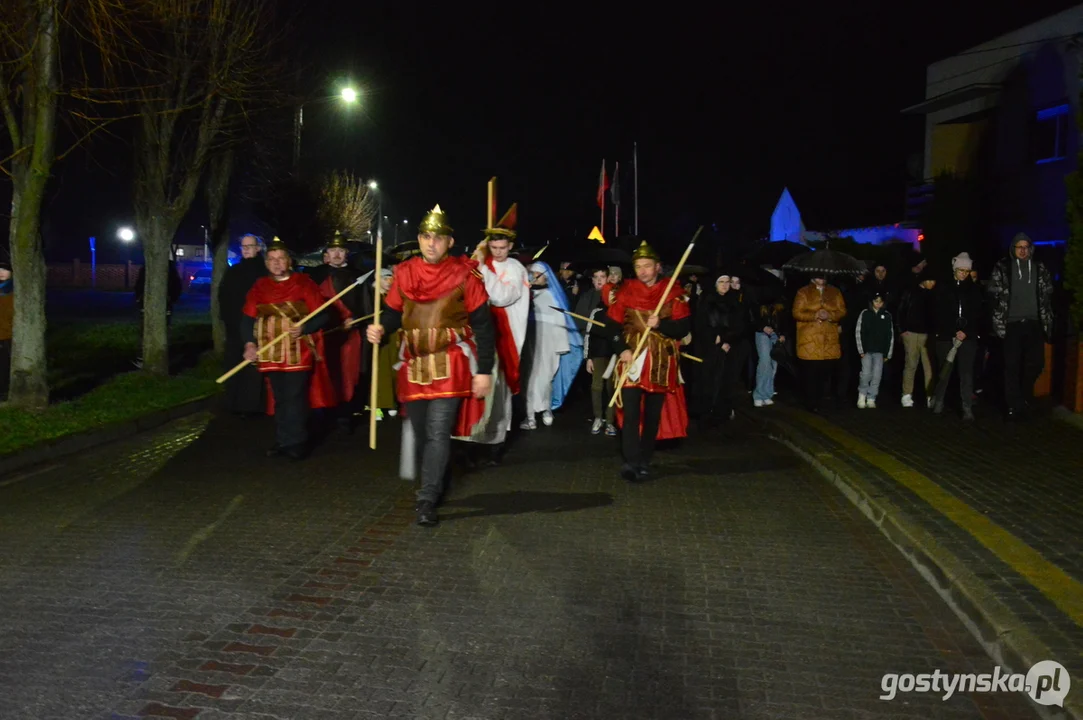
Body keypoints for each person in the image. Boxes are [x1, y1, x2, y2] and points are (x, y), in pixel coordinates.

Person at [365, 205, 494, 527]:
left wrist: (484, 370)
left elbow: (483, 325)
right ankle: (438, 477)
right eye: (425, 237)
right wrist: (381, 329)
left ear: (449, 242)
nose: (431, 243)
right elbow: (394, 313)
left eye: (438, 238)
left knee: (438, 433)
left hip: (450, 361)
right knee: (423, 434)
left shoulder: (466, 274)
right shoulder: (405, 272)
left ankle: (427, 498)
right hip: (414, 364)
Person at [241, 239, 337, 459]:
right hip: (270, 352)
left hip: (297, 351)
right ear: (266, 263)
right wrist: (249, 343)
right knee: (280, 397)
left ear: (289, 261)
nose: (276, 264)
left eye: (280, 258)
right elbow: (247, 319)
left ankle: (296, 442)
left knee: (294, 397)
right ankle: (284, 440)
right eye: (271, 260)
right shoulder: (259, 287)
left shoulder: (304, 284)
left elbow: (323, 315)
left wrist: (305, 327)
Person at [605, 240, 691, 481]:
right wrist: (621, 349)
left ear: (657, 267)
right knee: (631, 412)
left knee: (653, 415)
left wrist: (661, 325)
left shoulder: (674, 293)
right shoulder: (625, 292)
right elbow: (611, 326)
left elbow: (683, 327)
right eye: (639, 266)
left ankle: (644, 461)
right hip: (632, 358)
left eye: (647, 266)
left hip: (660, 361)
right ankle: (630, 462)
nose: (643, 271)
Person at [460, 211, 530, 463]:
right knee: (475, 384)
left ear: (510, 246)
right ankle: (472, 438)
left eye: (503, 247)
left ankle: (495, 441)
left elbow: (501, 296)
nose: (498, 251)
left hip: (504, 335)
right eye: (493, 246)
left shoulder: (516, 269)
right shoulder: (481, 262)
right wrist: (475, 263)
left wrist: (481, 267)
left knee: (498, 389)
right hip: (478, 332)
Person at [988, 233, 1055, 420]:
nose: (1023, 250)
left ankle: (1024, 395)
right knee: (1011, 365)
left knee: (1036, 363)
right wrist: (998, 315)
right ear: (1013, 249)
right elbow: (993, 292)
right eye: (1019, 247)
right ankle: (1012, 405)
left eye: (1026, 247)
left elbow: (1048, 292)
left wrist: (1047, 316)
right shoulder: (1003, 267)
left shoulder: (1039, 267)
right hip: (1011, 324)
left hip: (1034, 322)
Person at [306, 233, 367, 433]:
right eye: (333, 250)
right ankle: (322, 413)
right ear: (326, 254)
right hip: (323, 334)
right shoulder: (315, 275)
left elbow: (366, 304)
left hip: (349, 335)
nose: (337, 254)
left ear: (346, 254)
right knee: (323, 374)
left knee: (346, 375)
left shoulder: (357, 275)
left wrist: (355, 318)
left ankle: (344, 415)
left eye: (341, 250)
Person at [520, 261, 583, 429]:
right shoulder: (525, 295)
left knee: (546, 379)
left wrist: (560, 347)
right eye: (531, 273)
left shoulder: (551, 297)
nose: (533, 277)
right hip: (530, 345)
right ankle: (530, 416)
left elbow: (560, 323)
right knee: (529, 380)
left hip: (547, 347)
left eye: (536, 274)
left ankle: (547, 409)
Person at [218, 234, 268, 416]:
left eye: (250, 246)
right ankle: (233, 402)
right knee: (234, 363)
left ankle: (252, 406)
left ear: (258, 248)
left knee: (254, 368)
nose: (246, 249)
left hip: (258, 327)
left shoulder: (264, 271)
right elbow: (223, 296)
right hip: (234, 327)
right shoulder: (233, 271)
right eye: (243, 246)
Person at [931, 253, 984, 421]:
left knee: (966, 373)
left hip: (968, 337)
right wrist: (951, 330)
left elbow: (979, 314)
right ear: (954, 269)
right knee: (944, 370)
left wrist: (966, 331)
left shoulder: (974, 290)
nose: (963, 273)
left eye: (966, 271)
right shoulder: (943, 288)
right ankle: (938, 400)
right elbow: (938, 312)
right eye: (961, 270)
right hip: (946, 336)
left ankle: (966, 406)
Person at [694, 274, 748, 426]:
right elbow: (700, 324)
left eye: (727, 282)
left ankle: (721, 410)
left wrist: (726, 338)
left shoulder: (734, 302)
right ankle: (706, 411)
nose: (725, 285)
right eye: (721, 282)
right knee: (709, 378)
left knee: (726, 379)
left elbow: (739, 325)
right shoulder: (706, 300)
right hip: (709, 347)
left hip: (729, 347)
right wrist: (714, 338)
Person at [792, 275, 846, 412]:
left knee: (825, 372)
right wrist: (814, 315)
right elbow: (796, 312)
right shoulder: (803, 292)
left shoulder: (835, 292)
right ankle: (811, 403)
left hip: (829, 338)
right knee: (810, 373)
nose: (821, 279)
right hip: (810, 338)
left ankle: (821, 400)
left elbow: (842, 311)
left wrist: (830, 316)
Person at [580, 268, 617, 435]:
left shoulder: (619, 313)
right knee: (596, 387)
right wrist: (587, 357)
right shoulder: (596, 312)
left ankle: (610, 421)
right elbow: (588, 335)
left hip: (614, 356)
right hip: (597, 355)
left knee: (612, 388)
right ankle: (597, 418)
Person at [133, 259, 183, 369]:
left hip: (153, 305)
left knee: (146, 330)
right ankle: (153, 356)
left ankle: (147, 357)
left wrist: (139, 300)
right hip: (160, 305)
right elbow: (177, 287)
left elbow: (138, 285)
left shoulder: (149, 267)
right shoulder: (167, 269)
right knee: (160, 329)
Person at [897, 269, 936, 408]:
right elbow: (901, 310)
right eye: (930, 280)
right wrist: (902, 330)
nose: (933, 283)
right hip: (911, 333)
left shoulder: (933, 295)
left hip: (927, 335)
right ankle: (906, 394)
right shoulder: (911, 292)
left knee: (929, 366)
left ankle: (930, 395)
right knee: (911, 364)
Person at [855, 292, 894, 409]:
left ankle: (872, 397)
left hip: (880, 351)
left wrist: (888, 353)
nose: (878, 304)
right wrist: (861, 349)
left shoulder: (887, 315)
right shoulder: (865, 313)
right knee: (865, 374)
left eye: (880, 302)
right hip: (867, 350)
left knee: (877, 375)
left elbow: (890, 335)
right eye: (876, 301)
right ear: (872, 302)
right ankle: (862, 394)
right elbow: (858, 331)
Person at [752, 292, 788, 408]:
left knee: (774, 364)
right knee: (764, 362)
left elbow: (785, 320)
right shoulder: (757, 300)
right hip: (762, 333)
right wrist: (763, 327)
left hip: (775, 335)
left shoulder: (780, 302)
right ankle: (758, 394)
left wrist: (783, 334)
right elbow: (751, 319)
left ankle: (767, 393)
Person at [0, 260, 12, 402]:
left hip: (7, 335)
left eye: (5, 269)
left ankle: (3, 391)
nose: (1, 273)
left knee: (4, 364)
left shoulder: (13, 290)